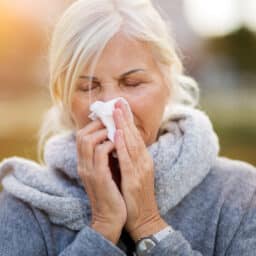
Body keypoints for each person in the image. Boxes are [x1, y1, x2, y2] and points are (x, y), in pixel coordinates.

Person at [0, 0, 256, 255]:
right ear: (64, 97)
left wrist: (148, 224)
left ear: (168, 83)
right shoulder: (23, 206)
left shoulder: (240, 193)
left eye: (132, 82)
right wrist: (102, 228)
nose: (111, 105)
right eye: (89, 87)